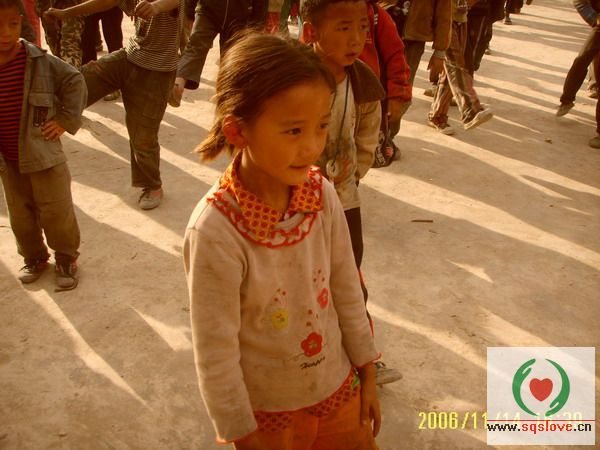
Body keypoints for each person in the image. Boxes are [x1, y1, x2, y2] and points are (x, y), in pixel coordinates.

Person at [183, 32, 381, 449]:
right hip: (268, 417)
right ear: (238, 131)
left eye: (322, 126)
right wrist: (242, 433)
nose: (312, 147)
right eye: (293, 130)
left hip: (338, 389)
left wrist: (367, 370)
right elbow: (216, 350)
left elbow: (347, 287)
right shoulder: (215, 230)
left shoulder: (321, 193)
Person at [302, 0, 402, 385]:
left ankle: (363, 359)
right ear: (312, 31)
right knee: (298, 283)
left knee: (349, 282)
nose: (357, 38)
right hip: (292, 204)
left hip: (344, 203)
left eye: (362, 27)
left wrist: (351, 176)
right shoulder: (293, 76)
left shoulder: (362, 81)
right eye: (344, 28)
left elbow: (367, 137)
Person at [45, 0, 182, 210]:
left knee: (142, 137)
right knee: (79, 81)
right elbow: (106, 1)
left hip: (157, 72)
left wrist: (155, 7)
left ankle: (153, 186)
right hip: (129, 56)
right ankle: (53, 125)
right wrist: (67, 13)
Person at [0, 0, 86, 290]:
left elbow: (74, 80)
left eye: (13, 24)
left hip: (44, 154)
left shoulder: (37, 60)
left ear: (21, 22)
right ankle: (34, 257)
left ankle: (66, 258)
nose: (6, 32)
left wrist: (64, 120)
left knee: (56, 210)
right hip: (9, 159)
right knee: (20, 215)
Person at [170, 0, 267, 107]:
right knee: (229, 55)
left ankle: (179, 83)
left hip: (222, 13)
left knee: (197, 46)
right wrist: (257, 26)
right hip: (227, 12)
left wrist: (190, 13)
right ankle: (227, 94)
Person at [428, 0, 493, 135]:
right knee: (455, 66)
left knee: (450, 72)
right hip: (444, 19)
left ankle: (437, 115)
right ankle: (471, 110)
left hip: (461, 18)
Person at [35, 0, 85, 67]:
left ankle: (70, 71)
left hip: (71, 4)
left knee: (69, 47)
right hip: (47, 6)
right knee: (56, 48)